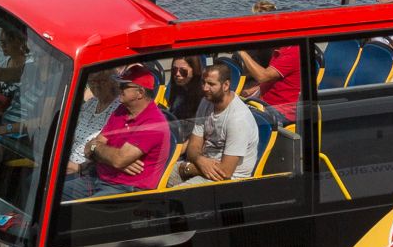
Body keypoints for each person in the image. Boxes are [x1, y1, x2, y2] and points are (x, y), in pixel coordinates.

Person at [65, 67, 171, 201]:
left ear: (140, 92)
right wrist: (106, 154)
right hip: (97, 177)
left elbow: (118, 160)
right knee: (51, 196)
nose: (118, 88)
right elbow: (89, 148)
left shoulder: (153, 123)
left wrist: (98, 150)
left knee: (79, 212)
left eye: (124, 85)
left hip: (125, 189)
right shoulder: (121, 110)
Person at [183, 60, 260, 183]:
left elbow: (225, 172)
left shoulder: (238, 119)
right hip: (203, 165)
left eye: (211, 84)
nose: (205, 88)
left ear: (226, 85)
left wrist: (188, 168)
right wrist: (199, 160)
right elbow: (193, 147)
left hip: (226, 181)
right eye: (203, 82)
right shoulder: (206, 102)